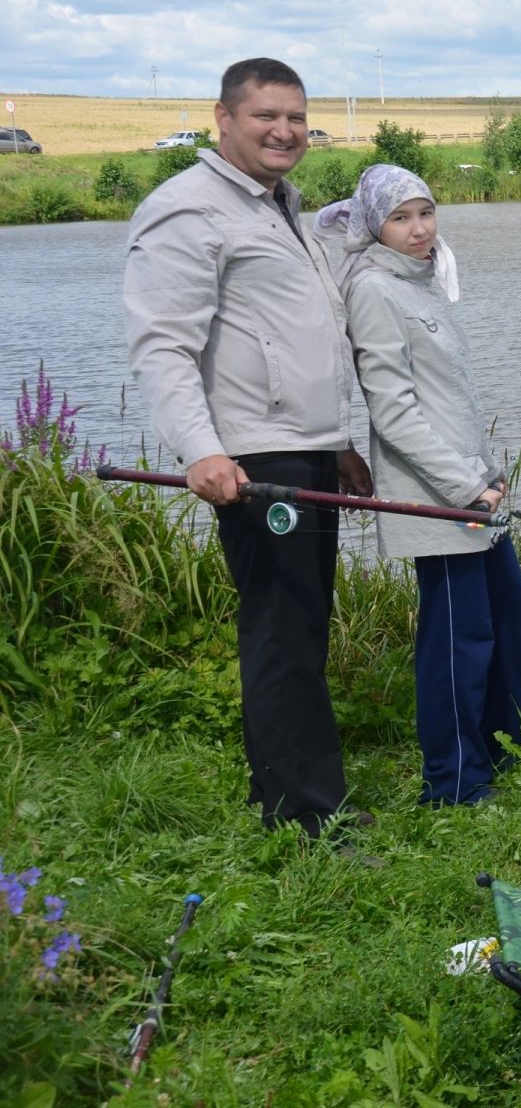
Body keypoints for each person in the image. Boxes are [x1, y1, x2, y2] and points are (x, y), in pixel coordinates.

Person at [123, 57, 373, 840]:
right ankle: (306, 817)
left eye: (296, 116)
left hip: (300, 453)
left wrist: (335, 444)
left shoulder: (280, 206)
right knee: (282, 627)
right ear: (223, 119)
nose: (285, 130)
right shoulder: (189, 211)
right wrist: (200, 450)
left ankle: (288, 794)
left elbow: (295, 339)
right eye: (266, 115)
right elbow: (163, 346)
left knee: (301, 623)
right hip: (251, 464)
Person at [320, 165, 521, 808]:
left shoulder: (422, 283)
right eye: (400, 218)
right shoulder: (376, 291)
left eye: (426, 213)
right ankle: (453, 782)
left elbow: (450, 400)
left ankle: (497, 752)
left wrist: (486, 473)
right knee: (456, 644)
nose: (418, 230)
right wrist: (466, 488)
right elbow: (393, 412)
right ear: (373, 227)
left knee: (510, 626)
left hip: (473, 490)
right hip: (439, 501)